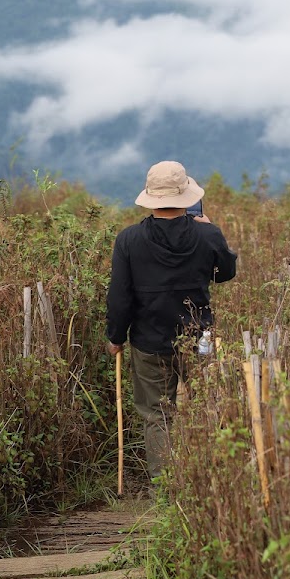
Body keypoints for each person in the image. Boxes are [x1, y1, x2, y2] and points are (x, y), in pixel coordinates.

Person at [106, 160, 237, 486]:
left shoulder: (129, 240)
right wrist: (211, 232)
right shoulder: (207, 233)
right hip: (199, 338)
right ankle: (206, 479)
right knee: (205, 406)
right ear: (185, 196)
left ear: (151, 197)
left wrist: (115, 336)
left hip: (149, 341)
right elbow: (226, 273)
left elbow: (119, 296)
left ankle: (166, 488)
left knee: (157, 415)